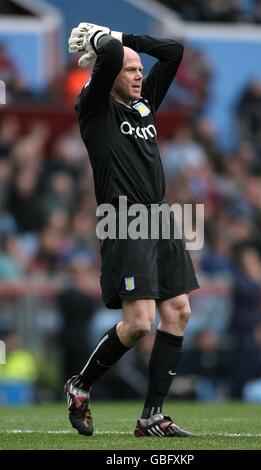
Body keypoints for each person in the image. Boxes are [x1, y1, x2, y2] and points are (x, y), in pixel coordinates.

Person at [65, 22, 199, 437]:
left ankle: (151, 417)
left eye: (141, 69)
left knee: (178, 312)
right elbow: (106, 58)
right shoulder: (95, 106)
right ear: (109, 75)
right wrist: (105, 44)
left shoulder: (145, 104)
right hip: (124, 219)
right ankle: (80, 386)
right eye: (131, 70)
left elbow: (174, 51)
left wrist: (126, 40)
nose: (140, 75)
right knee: (139, 323)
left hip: (160, 216)